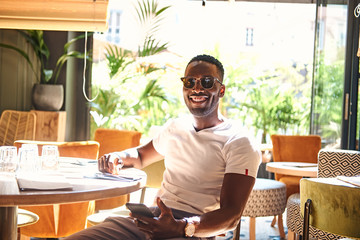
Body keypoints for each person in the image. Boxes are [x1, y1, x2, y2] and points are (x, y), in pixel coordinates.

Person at [66, 54, 261, 240]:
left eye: (207, 82)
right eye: (190, 82)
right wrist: (117, 157)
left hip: (195, 231)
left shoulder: (239, 141)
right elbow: (141, 156)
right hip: (152, 218)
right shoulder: (176, 127)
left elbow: (232, 215)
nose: (197, 88)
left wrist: (183, 226)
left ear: (221, 90)